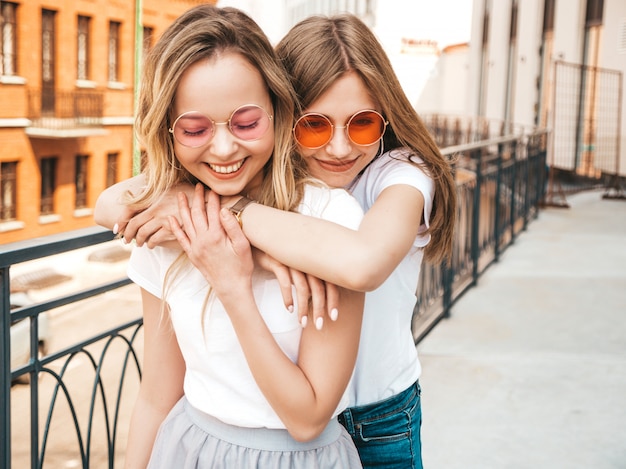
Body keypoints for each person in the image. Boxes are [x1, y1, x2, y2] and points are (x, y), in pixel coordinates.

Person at [95, 13, 457, 469]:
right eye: (315, 126)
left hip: (375, 417)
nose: (340, 148)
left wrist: (226, 227)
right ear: (290, 119)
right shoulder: (205, 202)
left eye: (362, 124)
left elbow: (360, 263)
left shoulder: (396, 178)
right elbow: (109, 205)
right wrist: (203, 215)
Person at [115, 5, 366, 468]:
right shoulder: (171, 220)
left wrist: (233, 285)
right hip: (187, 450)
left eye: (246, 122)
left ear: (277, 110)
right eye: (194, 129)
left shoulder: (329, 219)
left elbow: (308, 417)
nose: (226, 148)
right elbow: (155, 396)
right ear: (168, 133)